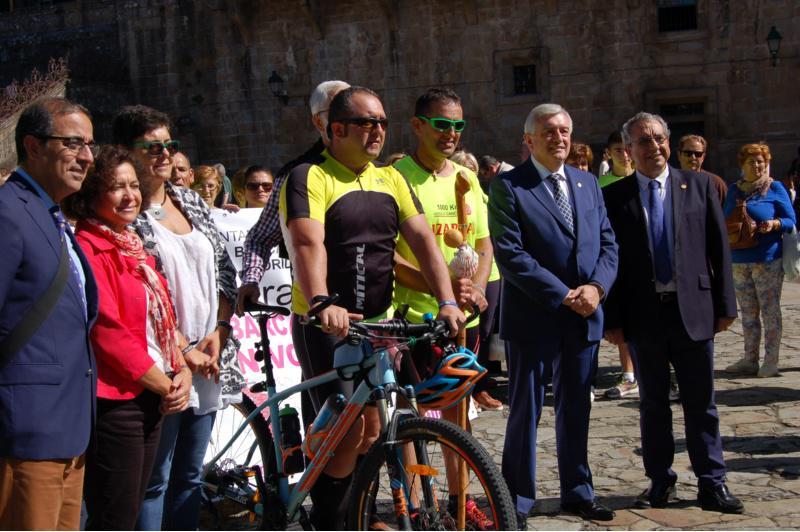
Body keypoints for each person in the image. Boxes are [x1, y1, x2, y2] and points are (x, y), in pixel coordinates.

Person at [280, 86, 465, 528]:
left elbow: (422, 241)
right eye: (367, 122)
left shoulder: (391, 178)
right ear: (336, 129)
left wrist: (447, 300)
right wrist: (323, 301)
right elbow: (308, 243)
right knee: (344, 434)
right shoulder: (310, 175)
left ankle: (358, 513)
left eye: (382, 121)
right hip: (325, 325)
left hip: (378, 324)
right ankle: (331, 520)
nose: (378, 130)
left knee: (377, 429)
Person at [603, 112, 744, 514]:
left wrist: (725, 304)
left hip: (694, 311)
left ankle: (711, 483)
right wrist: (613, 320)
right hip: (644, 315)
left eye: (661, 139)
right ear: (629, 150)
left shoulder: (699, 186)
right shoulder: (616, 196)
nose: (655, 148)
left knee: (702, 402)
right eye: (644, 141)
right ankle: (660, 479)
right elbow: (610, 259)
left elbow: (719, 249)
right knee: (653, 404)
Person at [111, 104, 241, 531]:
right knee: (155, 479)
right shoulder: (123, 215)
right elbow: (138, 295)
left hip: (209, 356)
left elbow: (225, 268)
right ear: (126, 152)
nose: (165, 154)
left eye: (170, 145)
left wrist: (219, 331)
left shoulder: (188, 199)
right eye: (153, 147)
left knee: (189, 475)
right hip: (162, 362)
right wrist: (182, 348)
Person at [489, 103, 618, 527]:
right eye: (548, 131)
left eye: (564, 130)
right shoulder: (509, 187)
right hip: (535, 315)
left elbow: (607, 243)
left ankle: (578, 492)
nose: (558, 137)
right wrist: (564, 294)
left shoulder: (587, 183)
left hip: (584, 316)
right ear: (529, 140)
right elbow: (511, 255)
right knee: (526, 410)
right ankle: (518, 500)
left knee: (576, 406)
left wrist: (596, 288)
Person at [64, 146, 197, 529]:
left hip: (152, 391)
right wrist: (163, 382)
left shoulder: (133, 245)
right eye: (116, 187)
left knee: (134, 503)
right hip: (119, 398)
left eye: (134, 185)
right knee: (115, 514)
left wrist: (180, 368)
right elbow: (107, 330)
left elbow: (162, 319)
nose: (130, 196)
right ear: (91, 195)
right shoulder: (89, 246)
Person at [0, 97, 99, 530]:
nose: (87, 157)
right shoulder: (8, 213)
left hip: (69, 428)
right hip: (25, 430)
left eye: (91, 145)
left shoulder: (48, 214)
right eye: (74, 143)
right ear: (34, 146)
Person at [393, 88, 501, 407]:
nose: (450, 133)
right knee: (412, 413)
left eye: (458, 126)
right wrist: (445, 291)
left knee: (460, 414)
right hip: (415, 316)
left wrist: (476, 290)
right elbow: (391, 256)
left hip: (463, 316)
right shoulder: (395, 178)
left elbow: (482, 241)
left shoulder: (467, 177)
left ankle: (461, 462)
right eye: (441, 124)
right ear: (417, 125)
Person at [238, 80, 350, 312]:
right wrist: (251, 279)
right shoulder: (295, 174)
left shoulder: (382, 173)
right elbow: (261, 236)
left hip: (380, 310)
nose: (349, 117)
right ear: (318, 121)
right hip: (319, 310)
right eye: (339, 110)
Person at [724, 143, 795, 378]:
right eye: (751, 162)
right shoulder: (735, 190)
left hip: (767, 259)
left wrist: (774, 224)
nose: (757, 165)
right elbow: (725, 218)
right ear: (742, 165)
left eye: (760, 162)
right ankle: (749, 359)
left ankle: (771, 361)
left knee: (770, 311)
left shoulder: (774, 188)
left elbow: (790, 220)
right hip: (739, 259)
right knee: (748, 311)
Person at [677, 134, 728, 207]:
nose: (693, 157)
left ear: (703, 157)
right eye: (688, 153)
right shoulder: (670, 181)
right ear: (679, 155)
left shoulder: (716, 183)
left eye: (698, 154)